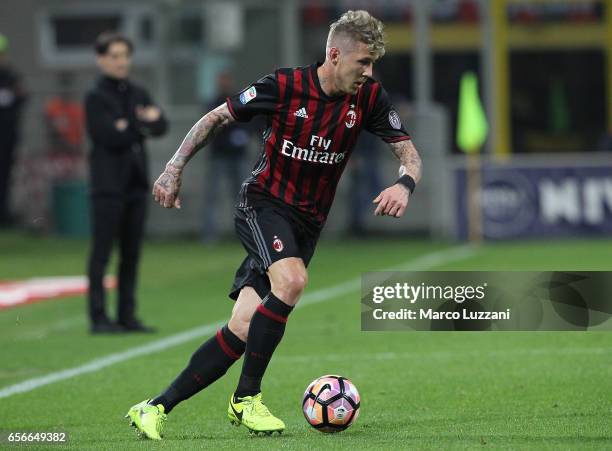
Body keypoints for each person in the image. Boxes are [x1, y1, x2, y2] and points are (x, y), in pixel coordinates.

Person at [126, 10, 422, 439]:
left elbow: (409, 155)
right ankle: (246, 399)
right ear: (335, 55)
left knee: (244, 326)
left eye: (373, 63)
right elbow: (216, 118)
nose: (368, 72)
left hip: (306, 225)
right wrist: (173, 168)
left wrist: (405, 186)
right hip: (262, 204)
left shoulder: (369, 98)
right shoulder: (284, 87)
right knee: (292, 282)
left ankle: (153, 408)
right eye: (362, 62)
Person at [85, 32, 167, 334]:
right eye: (114, 56)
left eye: (125, 55)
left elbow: (161, 124)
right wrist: (140, 122)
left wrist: (131, 124)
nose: (121, 62)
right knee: (103, 253)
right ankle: (98, 317)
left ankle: (126, 315)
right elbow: (107, 136)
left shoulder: (136, 91)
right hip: (107, 186)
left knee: (131, 254)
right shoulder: (96, 96)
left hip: (135, 185)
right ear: (101, 59)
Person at [202, 71, 251, 242]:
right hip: (219, 156)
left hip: (238, 155)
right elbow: (211, 127)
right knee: (213, 196)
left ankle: (245, 233)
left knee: (243, 196)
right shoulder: (214, 103)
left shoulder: (241, 99)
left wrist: (242, 135)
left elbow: (250, 122)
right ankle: (210, 235)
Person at [0, 33, 27, 227]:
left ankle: (3, 214)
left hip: (7, 136)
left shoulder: (11, 76)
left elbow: (21, 97)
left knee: (5, 176)